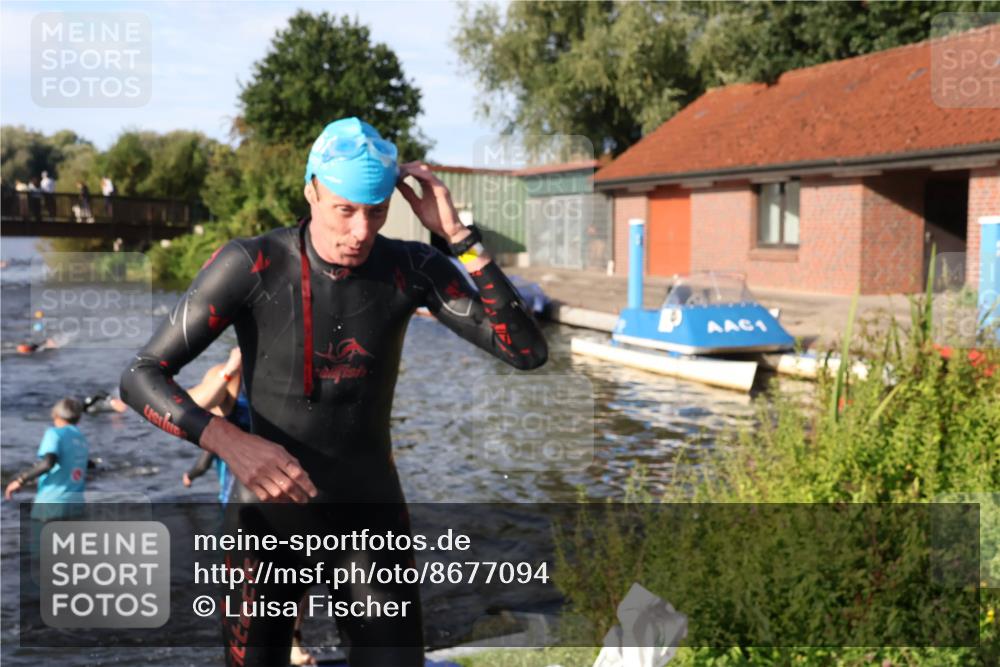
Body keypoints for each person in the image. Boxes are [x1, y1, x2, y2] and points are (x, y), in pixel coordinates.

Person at [119, 116, 548, 667]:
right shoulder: (253, 264)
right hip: (267, 520)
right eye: (345, 210)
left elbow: (527, 352)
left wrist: (461, 239)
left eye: (376, 212)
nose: (361, 231)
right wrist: (230, 442)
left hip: (371, 517)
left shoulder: (412, 267)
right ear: (311, 192)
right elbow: (140, 374)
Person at [5, 398, 89, 512]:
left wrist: (20, 481)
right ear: (78, 417)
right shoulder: (81, 438)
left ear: (55, 414)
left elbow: (48, 463)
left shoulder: (54, 433)